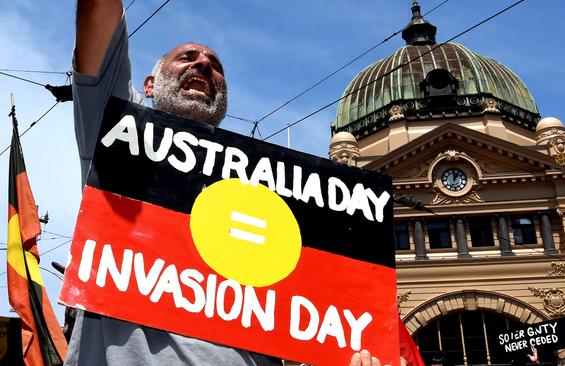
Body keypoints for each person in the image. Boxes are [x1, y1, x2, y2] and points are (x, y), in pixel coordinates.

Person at [70, 2, 397, 365]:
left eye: (216, 65)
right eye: (187, 57)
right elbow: (98, 16)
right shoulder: (118, 132)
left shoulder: (268, 191)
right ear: (149, 85)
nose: (204, 64)